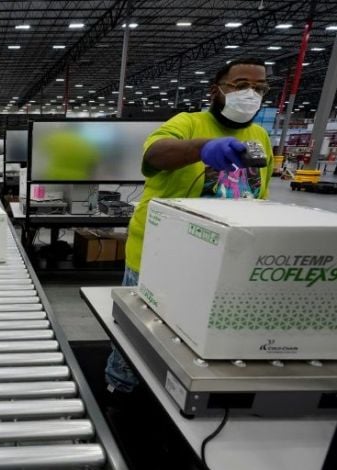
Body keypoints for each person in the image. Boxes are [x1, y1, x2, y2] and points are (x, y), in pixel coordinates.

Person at [106, 58, 274, 397]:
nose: (251, 94)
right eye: (241, 85)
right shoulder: (187, 123)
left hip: (222, 261)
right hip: (160, 255)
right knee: (140, 332)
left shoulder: (260, 136)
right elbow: (155, 154)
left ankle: (181, 394)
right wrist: (202, 149)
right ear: (217, 90)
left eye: (259, 88)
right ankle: (119, 391)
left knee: (195, 337)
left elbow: (260, 197)